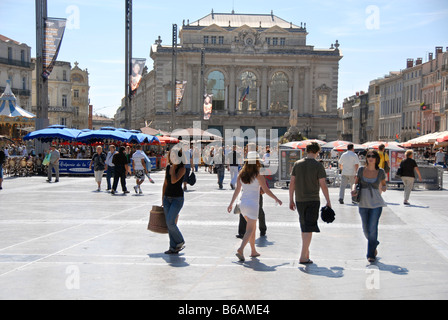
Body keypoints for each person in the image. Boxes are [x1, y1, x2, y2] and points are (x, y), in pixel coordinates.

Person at [227, 151, 282, 262]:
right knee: (250, 229)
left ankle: (253, 251)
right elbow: (266, 190)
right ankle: (241, 249)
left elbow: (237, 190)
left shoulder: (241, 173)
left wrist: (231, 203)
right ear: (256, 161)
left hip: (243, 204)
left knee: (251, 228)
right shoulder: (258, 174)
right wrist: (276, 198)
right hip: (253, 204)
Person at [289, 142, 331, 265]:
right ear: (317, 152)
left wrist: (291, 199)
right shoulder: (318, 166)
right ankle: (303, 256)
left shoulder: (297, 164)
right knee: (309, 227)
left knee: (304, 226)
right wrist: (328, 201)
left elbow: (292, 183)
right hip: (313, 199)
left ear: (306, 151)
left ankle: (306, 253)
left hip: (300, 199)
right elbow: (323, 185)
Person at [351, 150, 387, 263]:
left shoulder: (380, 172)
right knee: (366, 229)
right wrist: (353, 189)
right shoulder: (361, 170)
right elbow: (355, 182)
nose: (370, 158)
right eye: (369, 156)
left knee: (373, 228)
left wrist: (384, 188)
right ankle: (374, 243)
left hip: (376, 203)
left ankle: (370, 254)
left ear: (376, 159)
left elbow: (384, 184)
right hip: (363, 203)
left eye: (373, 156)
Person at [162, 148, 187, 254]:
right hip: (167, 198)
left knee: (170, 221)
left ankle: (180, 241)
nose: (172, 158)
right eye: (171, 156)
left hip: (177, 199)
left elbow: (173, 180)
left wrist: (173, 169)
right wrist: (162, 198)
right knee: (169, 223)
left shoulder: (182, 169)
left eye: (174, 156)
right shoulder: (168, 167)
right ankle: (173, 247)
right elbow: (166, 183)